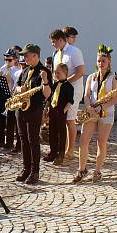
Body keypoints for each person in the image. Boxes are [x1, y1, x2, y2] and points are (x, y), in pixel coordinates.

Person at [74, 45, 117, 183]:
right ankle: (82, 169)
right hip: (91, 112)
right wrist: (89, 107)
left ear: (109, 62)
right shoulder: (91, 77)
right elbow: (87, 94)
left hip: (106, 113)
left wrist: (101, 107)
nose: (101, 63)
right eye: (99, 61)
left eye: (103, 61)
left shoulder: (115, 78)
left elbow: (114, 99)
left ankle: (98, 171)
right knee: (83, 142)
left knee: (101, 142)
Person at [14, 43, 51, 184]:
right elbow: (16, 87)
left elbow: (47, 94)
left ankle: (35, 172)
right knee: (23, 140)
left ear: (35, 55)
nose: (24, 57)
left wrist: (46, 81)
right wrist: (19, 90)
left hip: (34, 110)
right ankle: (26, 169)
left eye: (26, 55)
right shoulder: (25, 70)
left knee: (33, 140)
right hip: (21, 109)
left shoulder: (44, 71)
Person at [50, 29, 86, 161]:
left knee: (69, 119)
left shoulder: (74, 51)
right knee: (61, 119)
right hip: (60, 90)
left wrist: (65, 82)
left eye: (54, 42)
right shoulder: (56, 53)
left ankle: (70, 150)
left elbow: (81, 71)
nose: (53, 44)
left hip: (72, 90)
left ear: (61, 40)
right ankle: (61, 148)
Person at [46, 64, 75, 166]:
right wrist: (48, 107)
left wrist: (64, 111)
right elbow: (50, 97)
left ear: (65, 73)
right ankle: (53, 152)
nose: (56, 74)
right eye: (55, 72)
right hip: (53, 111)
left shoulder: (68, 86)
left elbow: (70, 101)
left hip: (61, 113)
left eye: (58, 72)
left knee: (61, 134)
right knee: (52, 132)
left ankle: (60, 155)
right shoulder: (55, 84)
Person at [0, 49, 21, 152]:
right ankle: (3, 140)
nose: (7, 61)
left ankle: (11, 143)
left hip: (11, 97)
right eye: (5, 59)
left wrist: (10, 80)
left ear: (16, 59)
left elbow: (16, 84)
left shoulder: (17, 71)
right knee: (2, 119)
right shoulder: (3, 68)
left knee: (12, 121)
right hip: (2, 96)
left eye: (9, 59)